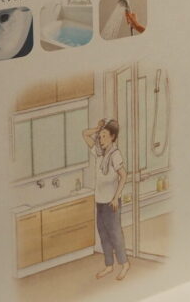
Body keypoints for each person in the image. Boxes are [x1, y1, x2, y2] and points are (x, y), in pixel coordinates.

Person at [83, 119, 130, 280]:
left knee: (115, 234)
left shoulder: (115, 155)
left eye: (104, 136)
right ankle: (109, 265)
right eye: (100, 136)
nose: (101, 139)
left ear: (112, 137)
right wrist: (97, 129)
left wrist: (116, 198)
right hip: (100, 201)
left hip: (111, 202)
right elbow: (84, 134)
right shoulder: (99, 152)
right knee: (103, 234)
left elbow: (123, 176)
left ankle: (124, 264)